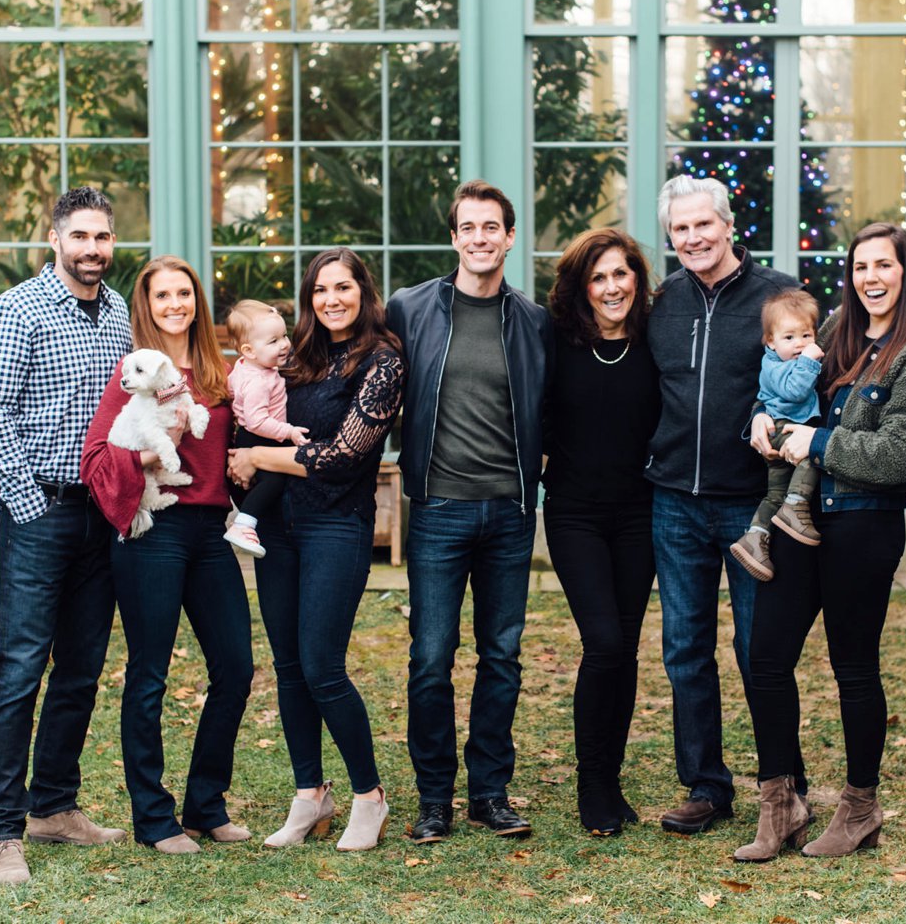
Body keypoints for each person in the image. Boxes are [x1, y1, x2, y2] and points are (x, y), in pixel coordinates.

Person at [737, 222, 906, 862]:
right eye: (861, 267)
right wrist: (762, 414)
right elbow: (783, 377)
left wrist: (820, 444)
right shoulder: (834, 335)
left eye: (884, 265)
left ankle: (860, 808)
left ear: (905, 273)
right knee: (766, 657)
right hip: (797, 524)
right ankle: (782, 805)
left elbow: (899, 455)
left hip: (863, 526)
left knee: (853, 667)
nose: (871, 278)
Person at [0, 187, 132, 885]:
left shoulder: (121, 310)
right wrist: (33, 507)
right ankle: (4, 831)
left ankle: (55, 806)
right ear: (55, 238)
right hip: (40, 512)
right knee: (20, 668)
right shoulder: (16, 311)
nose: (92, 249)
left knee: (82, 667)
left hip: (104, 515)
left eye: (102, 237)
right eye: (80, 236)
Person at [386, 179, 552, 843]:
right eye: (468, 227)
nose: (480, 238)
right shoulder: (410, 308)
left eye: (492, 227)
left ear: (509, 237)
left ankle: (489, 791)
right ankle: (434, 797)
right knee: (430, 655)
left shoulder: (533, 320)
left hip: (509, 513)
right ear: (454, 237)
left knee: (501, 655)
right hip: (438, 508)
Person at [227, 247, 405, 852]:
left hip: (337, 525)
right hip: (276, 528)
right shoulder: (293, 357)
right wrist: (241, 457)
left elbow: (344, 457)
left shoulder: (382, 361)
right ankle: (310, 794)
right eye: (320, 290)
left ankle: (368, 798)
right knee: (287, 667)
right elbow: (247, 418)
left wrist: (257, 458)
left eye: (342, 287)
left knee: (322, 664)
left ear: (363, 291)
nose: (331, 299)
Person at [80, 256, 255, 855]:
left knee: (235, 668)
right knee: (149, 676)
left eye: (185, 293)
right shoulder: (132, 375)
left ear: (197, 302)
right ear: (147, 307)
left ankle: (206, 804)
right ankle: (154, 818)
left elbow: (243, 442)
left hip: (210, 533)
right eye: (163, 296)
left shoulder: (221, 375)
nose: (175, 304)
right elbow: (98, 457)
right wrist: (158, 456)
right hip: (154, 532)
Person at [646, 175, 796, 835]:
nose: (694, 238)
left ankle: (783, 782)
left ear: (729, 225)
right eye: (681, 229)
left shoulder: (776, 296)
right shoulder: (662, 302)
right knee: (685, 649)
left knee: (761, 650)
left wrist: (776, 426)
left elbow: (808, 381)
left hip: (752, 505)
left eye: (704, 224)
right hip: (674, 500)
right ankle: (707, 784)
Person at [543, 227, 661, 836]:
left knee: (628, 644)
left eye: (621, 273)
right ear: (581, 287)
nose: (612, 287)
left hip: (640, 514)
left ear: (637, 278)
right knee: (605, 643)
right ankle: (594, 780)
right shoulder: (556, 341)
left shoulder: (654, 340)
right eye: (599, 277)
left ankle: (611, 777)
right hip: (574, 515)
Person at [729, 288, 826, 581]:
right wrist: (810, 360)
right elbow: (795, 392)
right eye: (789, 337)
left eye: (806, 335)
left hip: (782, 431)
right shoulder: (772, 365)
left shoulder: (791, 359)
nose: (799, 344)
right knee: (812, 457)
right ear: (770, 341)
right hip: (781, 429)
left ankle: (755, 539)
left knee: (774, 494)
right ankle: (795, 507)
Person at [221, 299, 310, 558]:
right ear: (248, 350)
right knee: (275, 480)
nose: (284, 345)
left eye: (284, 336)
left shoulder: (244, 368)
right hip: (259, 436)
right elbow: (257, 420)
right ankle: (244, 524)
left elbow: (229, 391)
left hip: (250, 436)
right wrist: (289, 431)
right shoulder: (259, 380)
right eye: (273, 342)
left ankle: (248, 522)